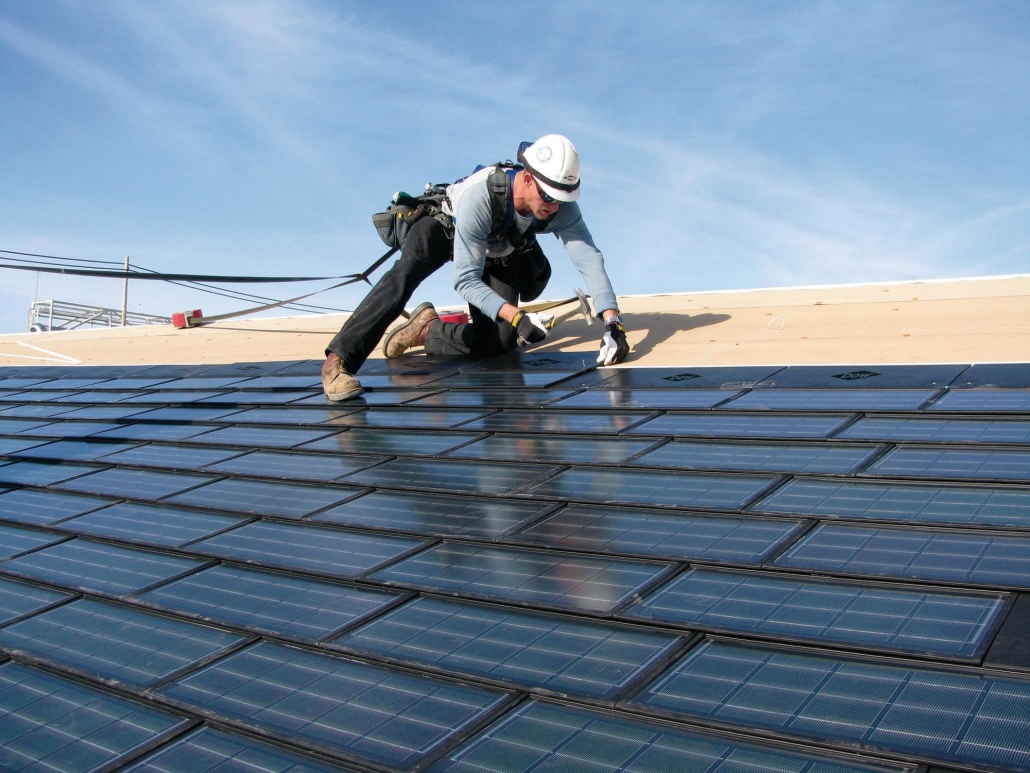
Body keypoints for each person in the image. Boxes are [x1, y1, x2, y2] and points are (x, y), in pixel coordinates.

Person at [321, 134, 629, 401]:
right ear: (526, 177)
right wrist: (516, 315)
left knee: (498, 344)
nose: (554, 207)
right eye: (548, 196)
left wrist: (613, 324)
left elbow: (588, 257)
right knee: (404, 276)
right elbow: (465, 279)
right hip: (446, 228)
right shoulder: (481, 196)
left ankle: (424, 330)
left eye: (562, 199)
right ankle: (338, 363)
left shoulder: (558, 205)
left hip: (497, 246)